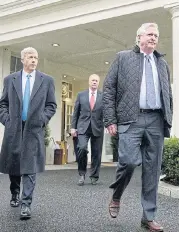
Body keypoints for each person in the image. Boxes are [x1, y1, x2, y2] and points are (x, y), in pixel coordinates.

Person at [103, 23, 173, 232]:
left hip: (155, 120)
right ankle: (116, 194)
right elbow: (109, 89)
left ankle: (148, 217)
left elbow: (167, 93)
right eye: (150, 34)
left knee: (152, 170)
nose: (154, 38)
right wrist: (110, 120)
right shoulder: (123, 58)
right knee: (129, 161)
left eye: (156, 35)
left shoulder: (162, 63)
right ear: (139, 37)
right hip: (130, 119)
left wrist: (168, 117)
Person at [0, 47, 57, 220]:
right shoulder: (10, 80)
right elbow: (3, 104)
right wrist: (7, 121)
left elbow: (51, 105)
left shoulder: (46, 80)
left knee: (30, 166)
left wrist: (42, 120)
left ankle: (26, 204)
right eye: (30, 57)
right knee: (14, 162)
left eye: (36, 58)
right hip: (14, 127)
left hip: (34, 128)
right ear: (23, 59)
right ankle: (15, 192)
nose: (34, 60)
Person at [71, 74, 104, 186]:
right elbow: (76, 112)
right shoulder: (81, 95)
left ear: (98, 83)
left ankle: (94, 176)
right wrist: (73, 127)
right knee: (81, 148)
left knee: (96, 153)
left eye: (96, 81)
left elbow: (107, 112)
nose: (94, 82)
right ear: (89, 82)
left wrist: (110, 124)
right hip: (82, 127)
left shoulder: (103, 96)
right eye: (92, 80)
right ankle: (82, 173)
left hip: (97, 127)